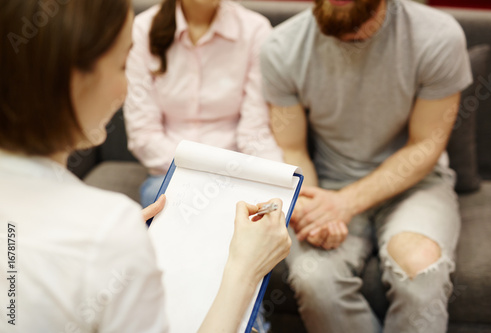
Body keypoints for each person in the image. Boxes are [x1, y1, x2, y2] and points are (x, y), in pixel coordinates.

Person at [0, 1, 291, 332]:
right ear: (75, 75)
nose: (125, 91)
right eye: (122, 64)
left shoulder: (104, 230)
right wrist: (245, 271)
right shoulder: (107, 229)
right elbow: (144, 138)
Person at [260, 0, 472, 332]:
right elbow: (292, 148)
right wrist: (311, 206)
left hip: (416, 186)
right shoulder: (280, 46)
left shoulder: (438, 36)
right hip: (328, 184)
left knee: (419, 269)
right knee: (315, 282)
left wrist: (345, 204)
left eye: (360, 27)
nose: (352, 39)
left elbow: (426, 145)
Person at [124, 0, 282, 209]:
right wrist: (204, 177)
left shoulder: (255, 30)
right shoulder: (142, 30)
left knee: (266, 209)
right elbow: (144, 134)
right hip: (172, 172)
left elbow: (255, 130)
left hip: (236, 173)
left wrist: (277, 184)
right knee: (167, 201)